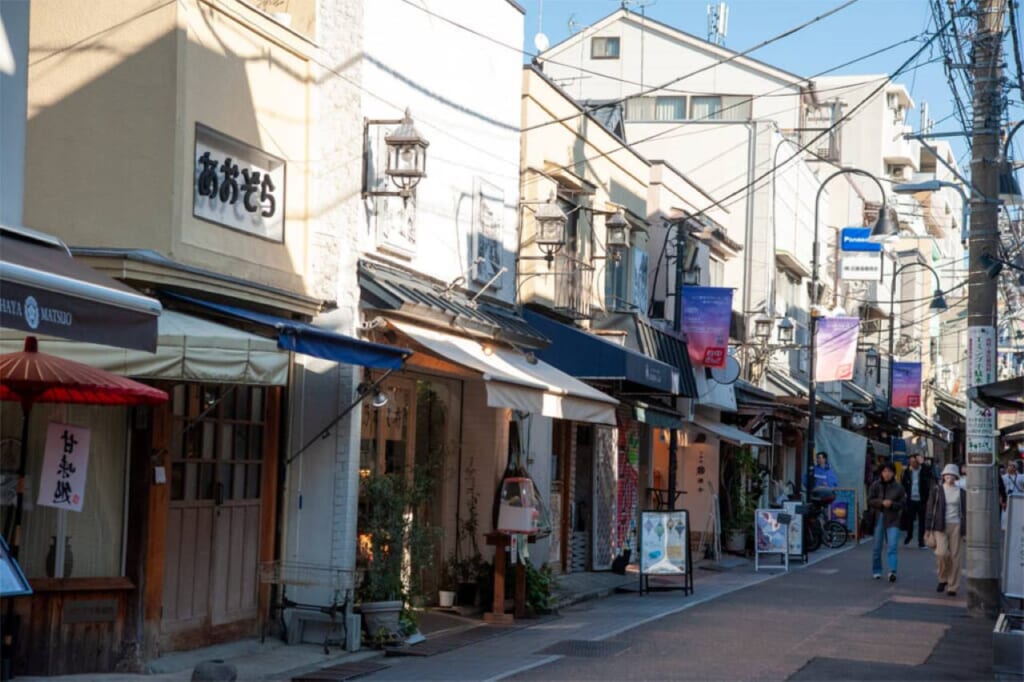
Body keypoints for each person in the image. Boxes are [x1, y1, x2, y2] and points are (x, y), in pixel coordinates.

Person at [925, 463, 967, 596]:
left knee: (956, 556)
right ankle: (943, 578)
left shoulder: (962, 492)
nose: (949, 477)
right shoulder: (937, 490)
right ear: (943, 476)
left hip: (957, 525)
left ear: (956, 477)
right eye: (946, 475)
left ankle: (953, 586)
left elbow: (966, 512)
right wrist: (927, 528)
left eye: (952, 475)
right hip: (939, 525)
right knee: (941, 553)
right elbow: (930, 509)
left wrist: (966, 530)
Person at [867, 462, 906, 582]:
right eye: (884, 471)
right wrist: (881, 502)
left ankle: (892, 571)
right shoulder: (875, 485)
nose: (887, 474)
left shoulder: (898, 487)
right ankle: (876, 570)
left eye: (889, 471)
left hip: (892, 518)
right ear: (881, 473)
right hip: (879, 517)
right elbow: (870, 500)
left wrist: (892, 504)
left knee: (892, 546)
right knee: (877, 547)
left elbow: (902, 503)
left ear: (894, 473)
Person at [900, 455, 932, 548]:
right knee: (909, 519)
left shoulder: (923, 470)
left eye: (914, 462)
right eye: (911, 462)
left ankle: (921, 542)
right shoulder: (907, 471)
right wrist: (904, 493)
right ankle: (909, 536)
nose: (912, 464)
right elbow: (903, 483)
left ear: (918, 462)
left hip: (922, 499)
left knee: (922, 521)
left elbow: (930, 473)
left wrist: (923, 463)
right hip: (910, 499)